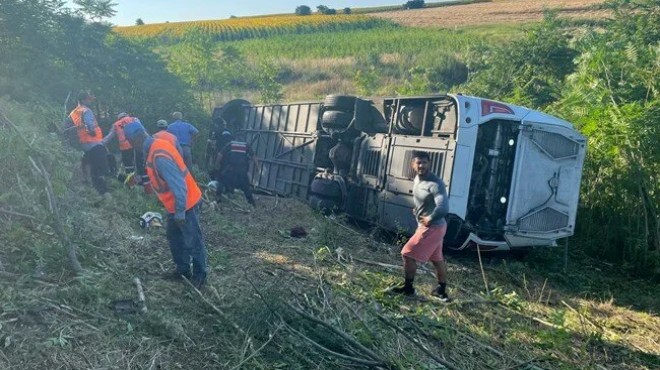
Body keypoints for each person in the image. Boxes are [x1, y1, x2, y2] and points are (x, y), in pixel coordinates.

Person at [124, 120, 208, 287]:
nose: (132, 147)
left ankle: (200, 276)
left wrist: (179, 213)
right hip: (176, 204)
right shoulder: (154, 147)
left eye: (131, 143)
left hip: (185, 203)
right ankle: (182, 270)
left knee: (192, 240)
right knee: (174, 237)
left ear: (137, 140)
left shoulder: (159, 155)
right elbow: (160, 178)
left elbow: (179, 186)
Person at [387, 151, 451, 302]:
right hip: (433, 227)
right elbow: (425, 200)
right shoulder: (417, 179)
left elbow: (443, 208)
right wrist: (419, 210)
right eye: (418, 162)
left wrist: (429, 217)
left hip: (432, 226)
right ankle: (441, 291)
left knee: (407, 254)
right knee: (436, 259)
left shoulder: (435, 183)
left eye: (424, 162)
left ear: (429, 164)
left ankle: (408, 289)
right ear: (413, 165)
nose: (421, 165)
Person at [68, 91, 109, 196]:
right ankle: (103, 192)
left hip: (84, 144)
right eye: (88, 99)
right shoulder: (86, 110)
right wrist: (92, 131)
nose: (90, 101)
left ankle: (96, 192)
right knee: (100, 168)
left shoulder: (73, 113)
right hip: (94, 142)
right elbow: (89, 124)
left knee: (92, 169)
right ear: (82, 100)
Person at [214, 138, 257, 206]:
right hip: (242, 171)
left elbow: (220, 155)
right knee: (246, 187)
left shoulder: (230, 144)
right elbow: (253, 156)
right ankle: (252, 203)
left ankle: (218, 198)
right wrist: (257, 167)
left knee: (221, 181)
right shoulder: (246, 145)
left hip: (230, 170)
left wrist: (217, 165)